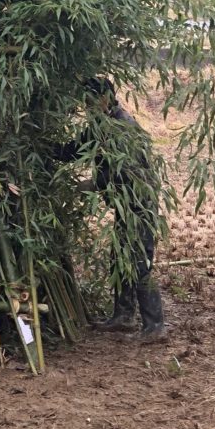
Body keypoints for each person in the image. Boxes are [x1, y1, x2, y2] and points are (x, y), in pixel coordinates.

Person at [60, 78, 167, 343]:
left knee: (139, 264)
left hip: (139, 204)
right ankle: (123, 315)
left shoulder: (122, 127)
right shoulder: (101, 126)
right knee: (120, 259)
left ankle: (155, 326)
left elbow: (127, 171)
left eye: (90, 102)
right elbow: (74, 150)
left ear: (105, 99)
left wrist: (93, 184)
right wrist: (42, 147)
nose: (86, 107)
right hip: (124, 205)